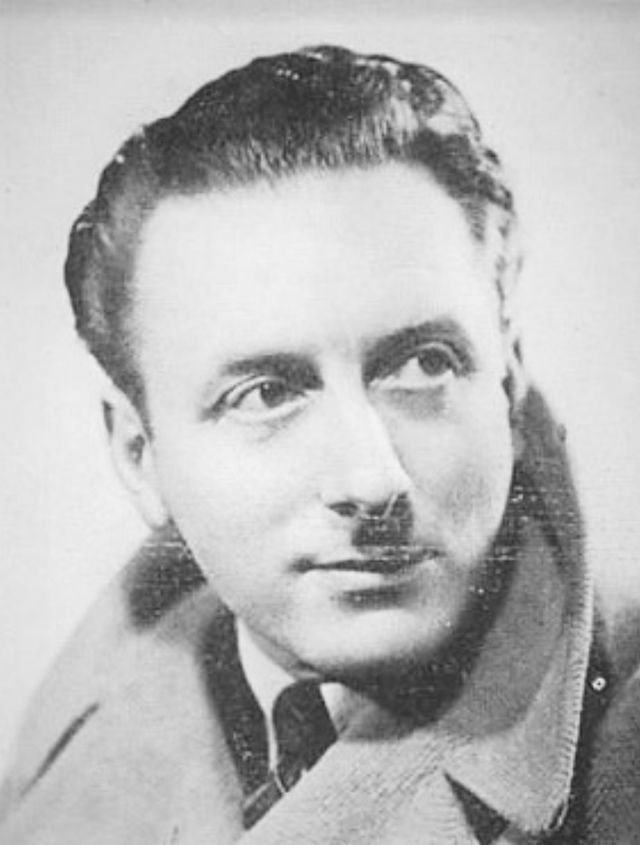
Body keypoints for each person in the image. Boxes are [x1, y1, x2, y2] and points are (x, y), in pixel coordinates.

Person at [1, 44, 639, 845]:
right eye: (267, 394)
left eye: (423, 364)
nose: (372, 479)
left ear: (507, 383)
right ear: (139, 455)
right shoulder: (63, 763)